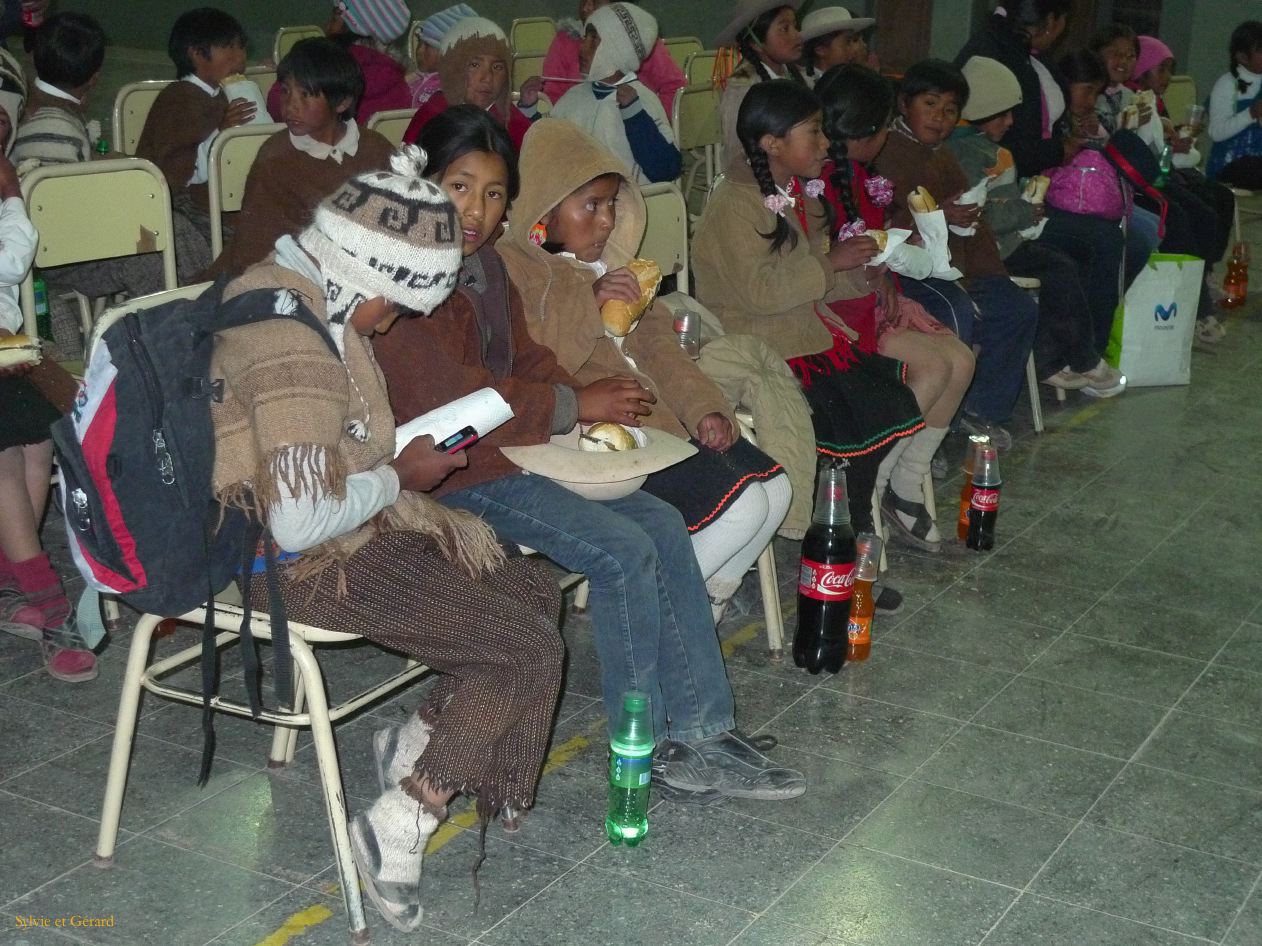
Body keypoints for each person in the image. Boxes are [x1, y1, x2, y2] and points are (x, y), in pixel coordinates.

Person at [381, 109, 803, 800]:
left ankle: (699, 727)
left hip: (514, 448)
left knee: (662, 526)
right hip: (452, 469)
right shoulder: (406, 274)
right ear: (419, 179)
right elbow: (454, 397)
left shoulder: (482, 264)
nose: (476, 210)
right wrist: (578, 406)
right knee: (621, 550)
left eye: (492, 194)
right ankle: (643, 744)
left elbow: (528, 356)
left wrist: (582, 391)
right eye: (459, 187)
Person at [210, 147, 564, 932]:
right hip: (290, 561)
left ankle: (418, 745)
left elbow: (348, 448)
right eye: (396, 305)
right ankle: (401, 818)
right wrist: (398, 477)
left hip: (351, 528)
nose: (396, 322)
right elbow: (297, 516)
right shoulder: (288, 338)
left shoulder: (318, 294)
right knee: (521, 648)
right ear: (363, 271)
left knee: (534, 592)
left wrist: (393, 470)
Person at [499, 117, 790, 613]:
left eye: (611, 203)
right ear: (545, 211)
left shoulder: (613, 268)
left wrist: (704, 408)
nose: (607, 220)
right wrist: (587, 304)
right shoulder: (520, 270)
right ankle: (661, 614)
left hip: (662, 420)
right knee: (742, 510)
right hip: (594, 435)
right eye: (590, 205)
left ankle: (703, 605)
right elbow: (533, 360)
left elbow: (660, 349)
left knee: (776, 490)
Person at [693, 79, 924, 566]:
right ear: (772, 144)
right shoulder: (734, 205)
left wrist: (863, 273)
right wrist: (830, 264)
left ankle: (845, 537)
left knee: (880, 408)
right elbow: (762, 293)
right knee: (851, 424)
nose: (824, 145)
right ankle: (838, 548)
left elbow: (822, 274)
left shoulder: (797, 193)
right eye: (813, 133)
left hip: (806, 337)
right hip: (763, 346)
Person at [814, 64, 975, 549]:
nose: (888, 134)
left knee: (961, 359)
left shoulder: (865, 176)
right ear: (859, 131)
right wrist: (869, 274)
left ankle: (906, 480)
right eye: (882, 126)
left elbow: (873, 244)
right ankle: (873, 481)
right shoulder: (815, 184)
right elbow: (822, 261)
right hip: (837, 313)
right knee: (930, 367)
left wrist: (883, 271)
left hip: (871, 299)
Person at [873, 59, 1037, 449]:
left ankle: (980, 410)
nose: (939, 118)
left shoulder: (943, 154)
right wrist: (939, 216)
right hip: (910, 271)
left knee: (1017, 309)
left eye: (950, 110)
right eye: (929, 105)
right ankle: (935, 427)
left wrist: (988, 269)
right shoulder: (888, 152)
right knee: (957, 313)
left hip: (958, 267)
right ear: (903, 104)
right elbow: (883, 225)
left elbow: (971, 230)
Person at [0, 44, 95, 683]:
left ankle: (14, 570)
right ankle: (44, 591)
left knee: (42, 441)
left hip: (6, 339)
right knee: (6, 451)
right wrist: (12, 205)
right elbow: (11, 260)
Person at [949, 56, 1124, 397]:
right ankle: (1073, 358)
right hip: (989, 250)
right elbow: (983, 215)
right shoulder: (972, 156)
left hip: (1005, 241)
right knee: (1059, 268)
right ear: (983, 113)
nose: (1011, 121)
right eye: (1003, 114)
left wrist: (1025, 208)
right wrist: (1026, 211)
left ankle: (1062, 358)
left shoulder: (985, 149)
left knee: (1060, 264)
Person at [12, 13, 209, 300]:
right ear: (93, 79)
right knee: (165, 232)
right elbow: (69, 213)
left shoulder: (32, 109)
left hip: (54, 244)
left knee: (168, 227)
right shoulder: (56, 123)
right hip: (66, 256)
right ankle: (193, 309)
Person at [208, 37, 393, 278]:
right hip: (288, 277)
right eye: (285, 91)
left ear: (343, 102)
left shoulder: (376, 149)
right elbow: (255, 246)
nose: (290, 106)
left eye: (305, 94)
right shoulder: (275, 158)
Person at [136, 7, 252, 250]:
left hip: (215, 202)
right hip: (180, 205)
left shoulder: (222, 94)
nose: (241, 58)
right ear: (197, 54)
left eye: (242, 47)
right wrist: (223, 132)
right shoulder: (179, 98)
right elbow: (181, 174)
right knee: (251, 239)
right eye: (230, 48)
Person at [550, 2, 680, 185]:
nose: (582, 47)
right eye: (585, 37)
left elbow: (667, 169)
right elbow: (550, 148)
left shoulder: (641, 100)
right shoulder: (574, 96)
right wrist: (530, 112)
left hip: (631, 205)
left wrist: (635, 116)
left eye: (594, 40)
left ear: (617, 50)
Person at [265, 0, 411, 126]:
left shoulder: (321, 65)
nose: (327, 26)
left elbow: (277, 103)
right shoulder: (399, 82)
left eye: (335, 17)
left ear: (347, 24)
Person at [401, 17, 535, 151]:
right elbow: (406, 166)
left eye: (497, 67)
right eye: (475, 65)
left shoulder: (514, 123)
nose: (487, 77)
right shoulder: (433, 114)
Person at [541, 0, 685, 120]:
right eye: (584, 0)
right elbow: (553, 95)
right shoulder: (565, 40)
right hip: (580, 133)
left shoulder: (638, 43)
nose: (586, 7)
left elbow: (674, 86)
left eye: (594, 1)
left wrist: (649, 118)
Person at [716, 0, 806, 165]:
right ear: (755, 43)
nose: (797, 35)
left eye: (795, 26)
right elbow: (737, 155)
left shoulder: (801, 78)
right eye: (784, 29)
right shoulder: (742, 88)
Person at [1208, 21, 1262, 189]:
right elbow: (1216, 132)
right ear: (1242, 57)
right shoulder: (1227, 84)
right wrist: (1250, 114)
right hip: (1229, 164)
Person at [404, 3, 476, 108]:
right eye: (419, 42)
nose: (419, 50)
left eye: (427, 45)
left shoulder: (455, 90)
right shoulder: (416, 77)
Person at [799, 7, 875, 81]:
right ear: (821, 50)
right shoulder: (805, 85)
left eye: (853, 41)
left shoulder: (849, 79)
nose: (853, 49)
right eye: (847, 42)